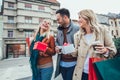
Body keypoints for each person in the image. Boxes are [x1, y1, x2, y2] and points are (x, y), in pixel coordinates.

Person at [72, 9, 116, 80]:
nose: (78, 20)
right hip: (82, 73)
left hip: (97, 71)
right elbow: (76, 53)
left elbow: (113, 50)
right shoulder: (77, 35)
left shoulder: (102, 30)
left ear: (88, 17)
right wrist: (68, 49)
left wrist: (105, 50)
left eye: (80, 17)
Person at [55, 8, 79, 80]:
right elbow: (57, 41)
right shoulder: (59, 29)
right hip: (62, 63)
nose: (57, 21)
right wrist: (56, 47)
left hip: (73, 64)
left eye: (58, 19)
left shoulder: (77, 29)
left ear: (65, 17)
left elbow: (81, 46)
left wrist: (70, 48)